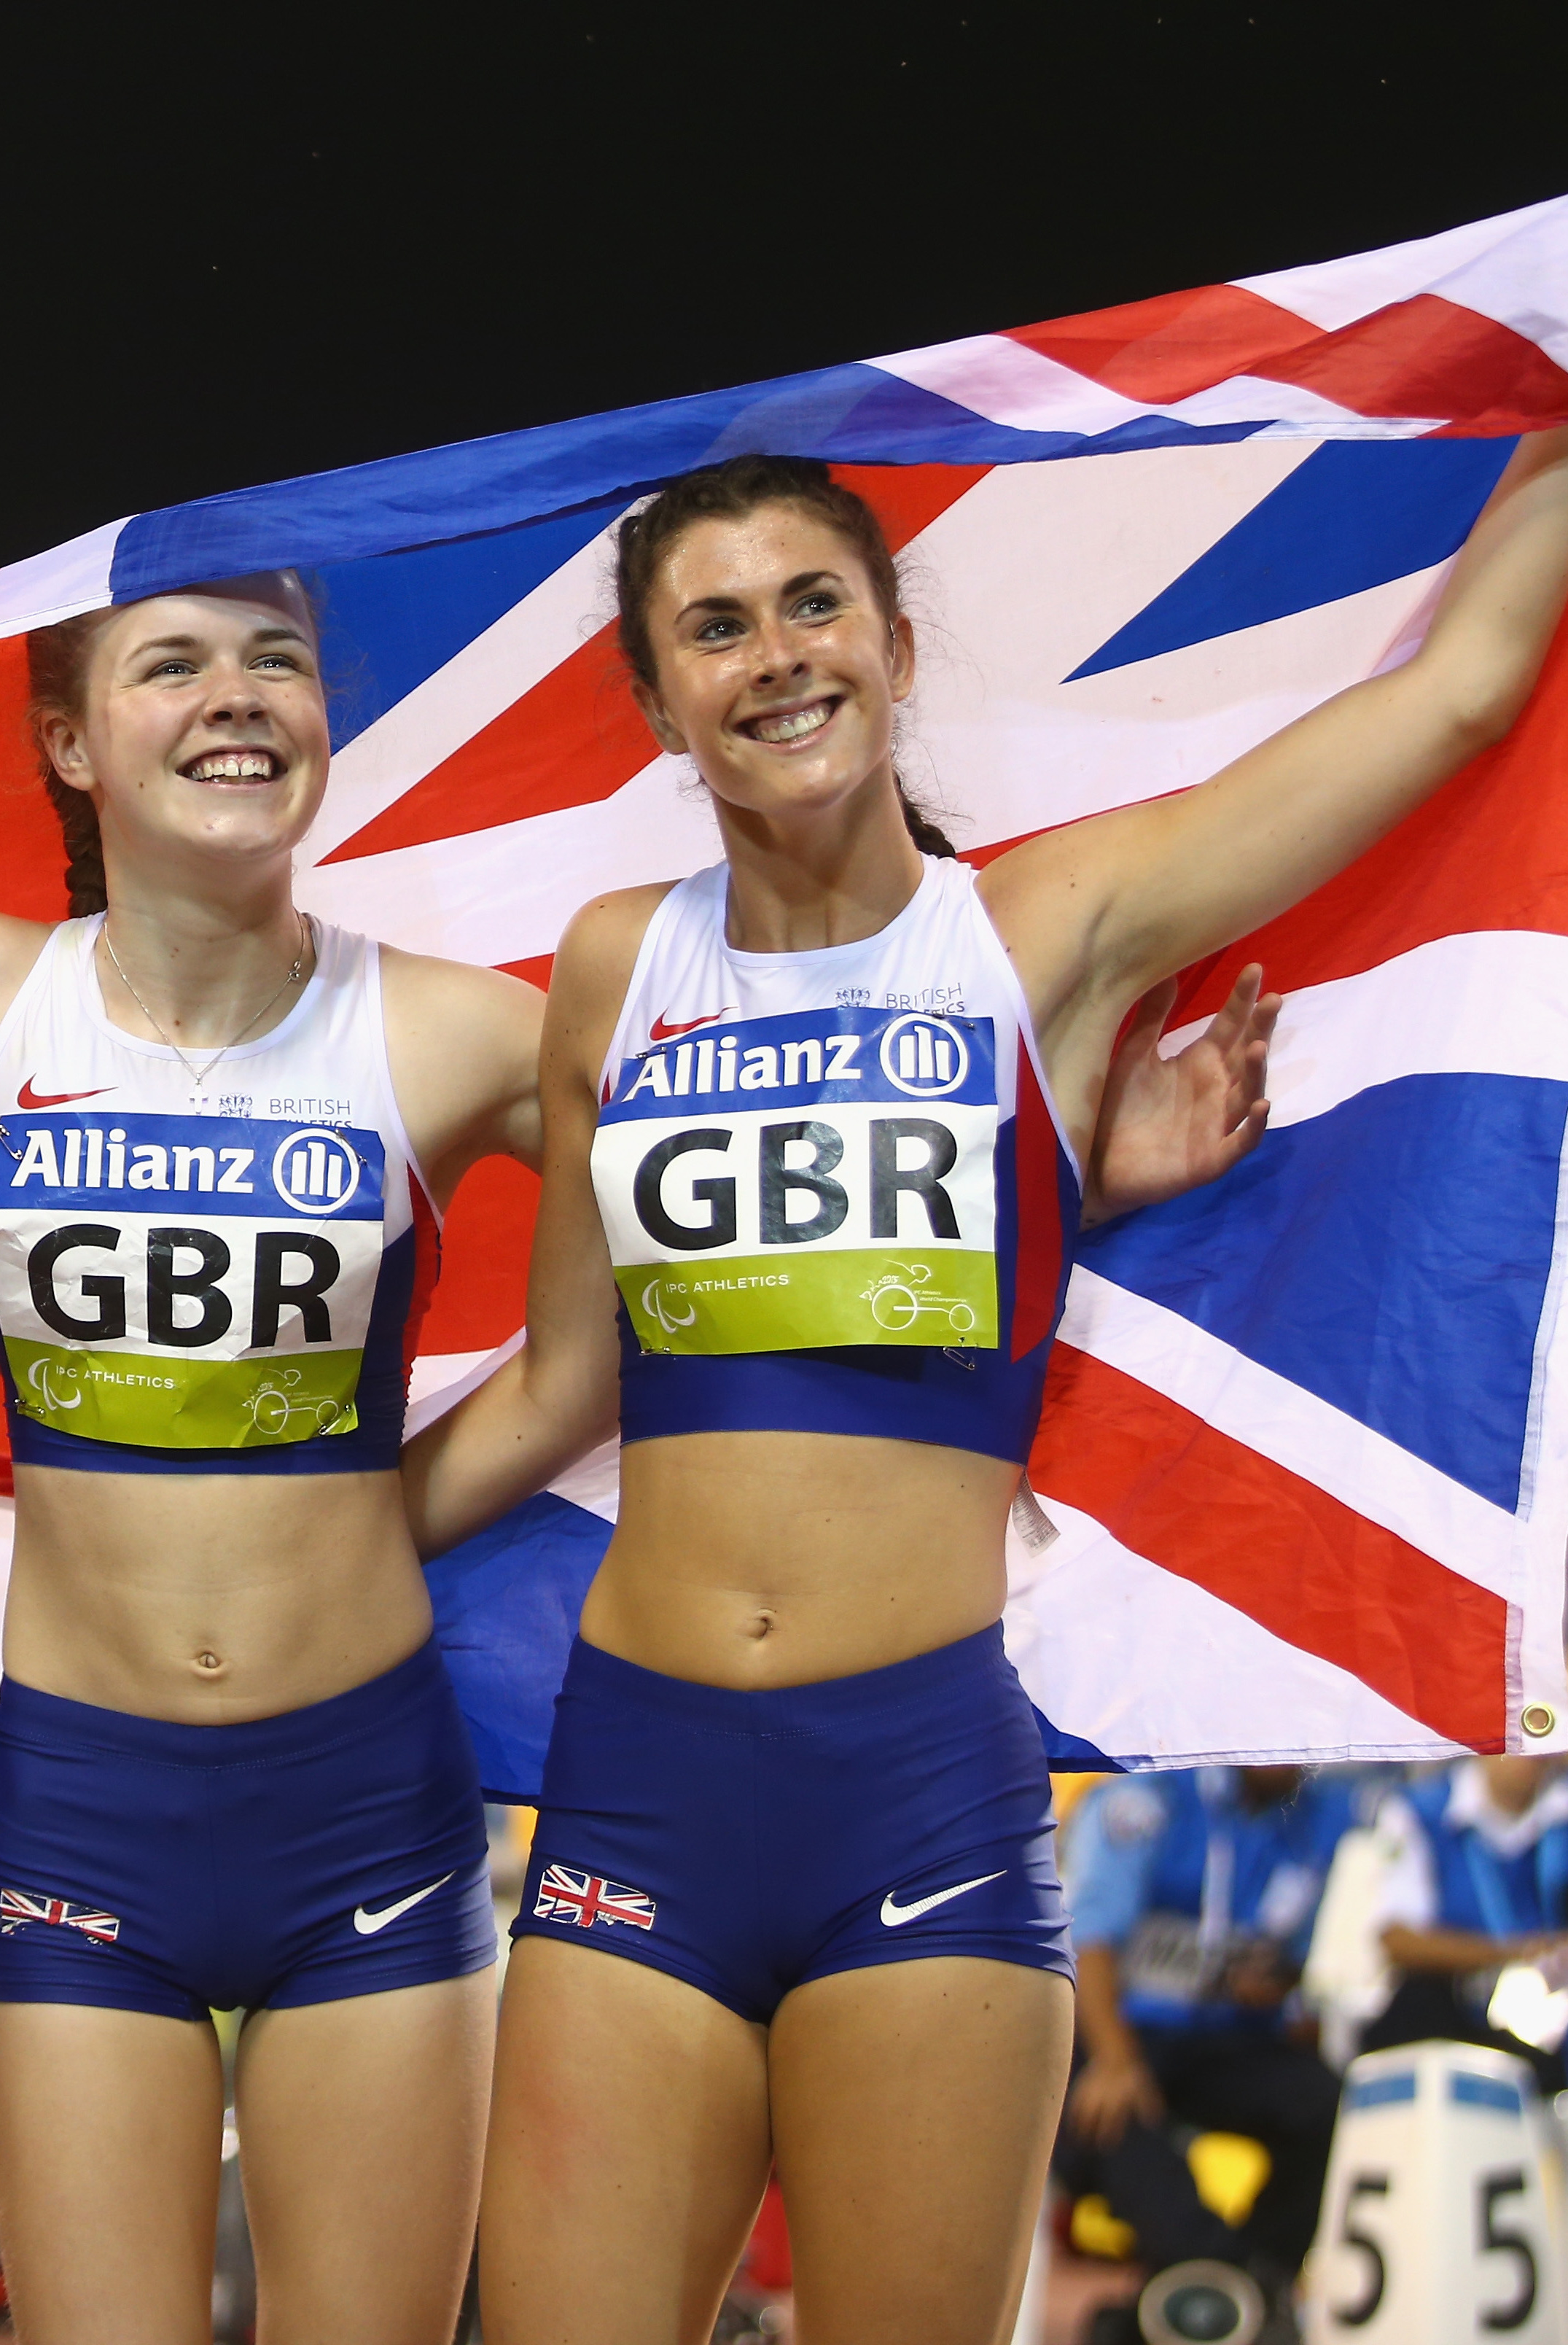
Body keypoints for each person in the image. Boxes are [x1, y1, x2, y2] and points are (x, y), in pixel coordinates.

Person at [0, 564, 1274, 2345]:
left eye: (278, 658)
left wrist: (1069, 1174)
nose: (236, 697)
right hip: (83, 1802)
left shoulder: (450, 1029)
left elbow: (743, 1188)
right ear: (67, 738)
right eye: (170, 665)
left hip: (361, 1795)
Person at [402, 432, 1568, 2342]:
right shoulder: (619, 972)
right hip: (642, 1788)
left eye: (811, 604)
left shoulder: (1045, 930)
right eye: (715, 627)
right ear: (654, 699)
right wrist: (314, 1559)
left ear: (892, 642)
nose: (773, 654)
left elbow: (1453, 696)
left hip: (917, 1791)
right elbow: (561, 1384)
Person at [1061, 1768, 1356, 2304]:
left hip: (1228, 2037)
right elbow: (1090, 1937)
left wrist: (1278, 1981)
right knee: (1112, 2116)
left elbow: (1305, 1957)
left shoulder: (1329, 1814)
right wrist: (1114, 2060)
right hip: (1118, 2028)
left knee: (1328, 2105)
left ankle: (1244, 2288)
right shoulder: (1142, 1799)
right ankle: (1221, 2285)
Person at [1363, 1754, 1568, 2091]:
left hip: (1548, 2006)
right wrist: (1513, 1954)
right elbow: (1397, 1939)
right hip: (1455, 2001)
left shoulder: (1558, 1814)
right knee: (1417, 2011)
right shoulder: (1421, 1811)